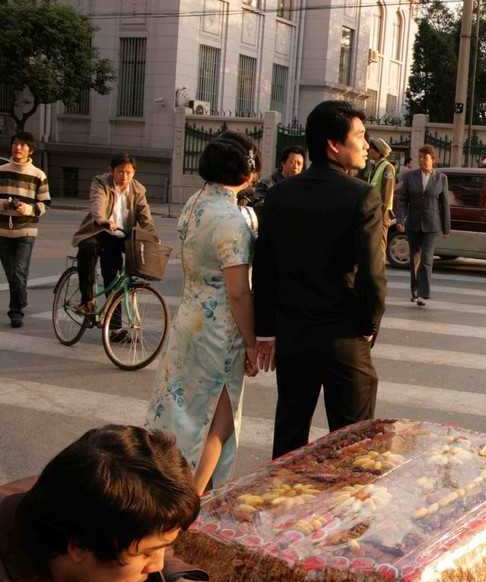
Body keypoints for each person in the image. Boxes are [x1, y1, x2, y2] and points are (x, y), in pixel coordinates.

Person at [0, 425, 263, 582]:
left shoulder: (58, 496)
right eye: (147, 553)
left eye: (163, 549)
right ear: (79, 547)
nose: (157, 564)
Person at [252, 100, 387, 460]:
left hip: (293, 338)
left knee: (289, 438)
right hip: (343, 338)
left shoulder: (280, 194)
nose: (364, 144)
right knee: (352, 446)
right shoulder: (362, 195)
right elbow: (373, 276)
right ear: (333, 144)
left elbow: (264, 267)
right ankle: (344, 515)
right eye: (359, 136)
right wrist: (369, 324)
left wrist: (266, 331)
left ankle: (279, 509)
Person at [146, 131, 261, 494]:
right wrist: (252, 341)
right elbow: (239, 292)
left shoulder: (195, 202)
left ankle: (171, 484)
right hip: (219, 327)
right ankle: (190, 500)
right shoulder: (232, 218)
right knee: (220, 418)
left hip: (190, 316)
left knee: (185, 412)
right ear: (246, 172)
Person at [70, 154, 157, 334]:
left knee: (115, 276)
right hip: (99, 229)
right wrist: (102, 219)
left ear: (134, 173)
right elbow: (97, 202)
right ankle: (87, 301)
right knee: (88, 250)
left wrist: (152, 235)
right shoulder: (101, 182)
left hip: (121, 235)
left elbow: (144, 215)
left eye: (128, 173)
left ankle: (115, 329)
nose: (124, 177)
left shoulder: (138, 190)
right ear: (111, 171)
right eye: (120, 172)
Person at [0, 131, 49, 329]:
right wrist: (4, 204)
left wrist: (27, 209)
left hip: (26, 230)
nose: (17, 148)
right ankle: (21, 299)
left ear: (31, 149)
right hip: (2, 230)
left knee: (20, 271)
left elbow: (44, 203)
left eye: (22, 145)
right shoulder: (2, 171)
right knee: (11, 272)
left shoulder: (38, 175)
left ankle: (16, 311)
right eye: (15, 144)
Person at [396, 144, 450, 307]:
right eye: (419, 158)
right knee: (415, 258)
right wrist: (400, 219)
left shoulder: (441, 178)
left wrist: (446, 227)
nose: (421, 161)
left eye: (424, 158)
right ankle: (414, 290)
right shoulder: (410, 177)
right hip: (413, 223)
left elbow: (445, 204)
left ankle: (423, 294)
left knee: (426, 258)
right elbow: (402, 199)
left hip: (432, 225)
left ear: (433, 159)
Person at [238, 145, 306, 211]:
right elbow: (259, 207)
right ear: (283, 163)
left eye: (299, 164)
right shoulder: (267, 184)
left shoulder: (302, 187)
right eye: (292, 162)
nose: (295, 167)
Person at [367, 137, 396, 254]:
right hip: (374, 210)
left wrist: (381, 212)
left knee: (380, 244)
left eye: (371, 149)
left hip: (381, 212)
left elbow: (386, 193)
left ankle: (381, 269)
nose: (369, 150)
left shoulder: (387, 167)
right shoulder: (375, 167)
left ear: (378, 151)